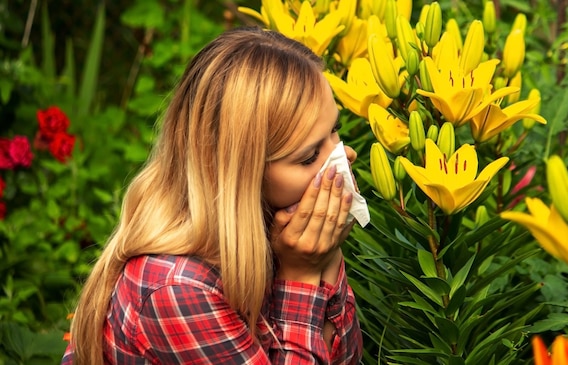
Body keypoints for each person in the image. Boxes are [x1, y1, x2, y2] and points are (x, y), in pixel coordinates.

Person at [61, 26, 363, 364]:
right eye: (309, 156)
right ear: (240, 173)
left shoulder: (280, 229)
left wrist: (326, 257)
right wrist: (303, 277)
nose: (344, 157)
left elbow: (347, 357)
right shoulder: (176, 287)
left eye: (334, 131)